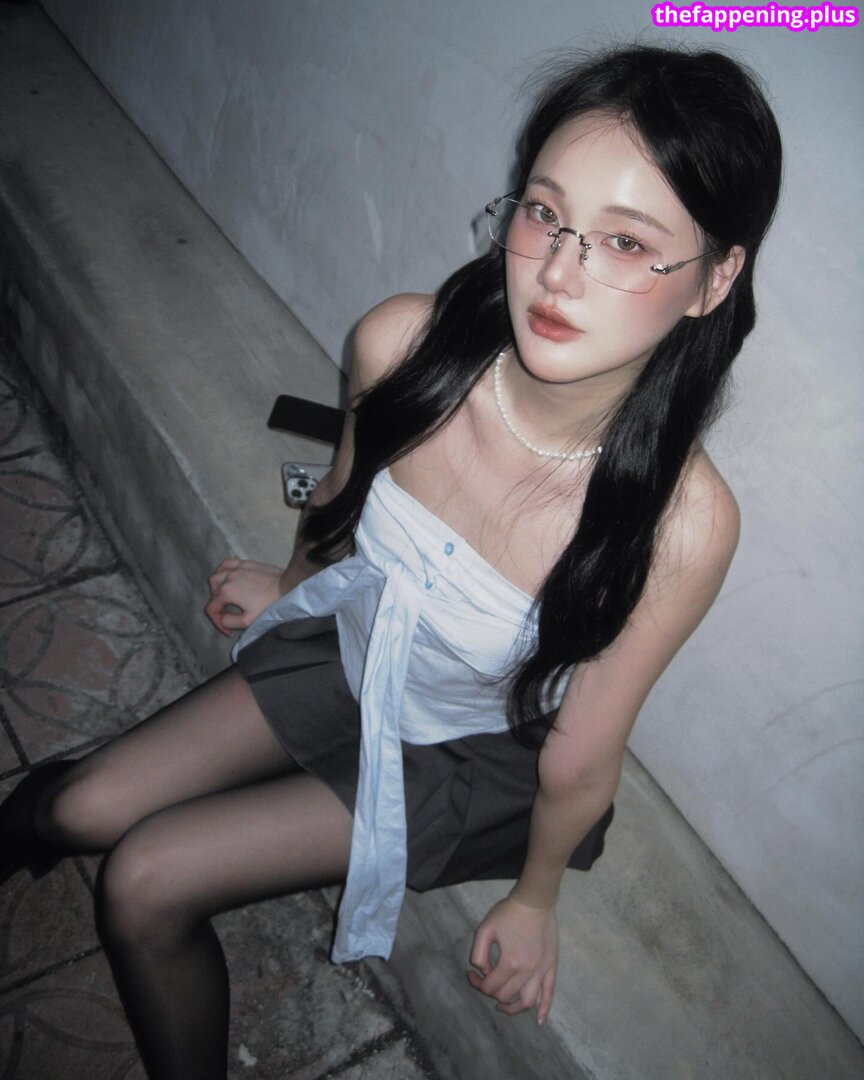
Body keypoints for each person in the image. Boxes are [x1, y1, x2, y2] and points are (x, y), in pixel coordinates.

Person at [0, 44, 781, 1080]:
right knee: (76, 808)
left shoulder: (680, 523)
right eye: (544, 213)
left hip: (472, 751)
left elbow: (584, 757)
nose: (558, 272)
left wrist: (535, 898)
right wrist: (289, 588)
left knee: (144, 879)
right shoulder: (403, 345)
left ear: (714, 280)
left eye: (627, 243)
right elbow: (337, 498)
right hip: (349, 648)